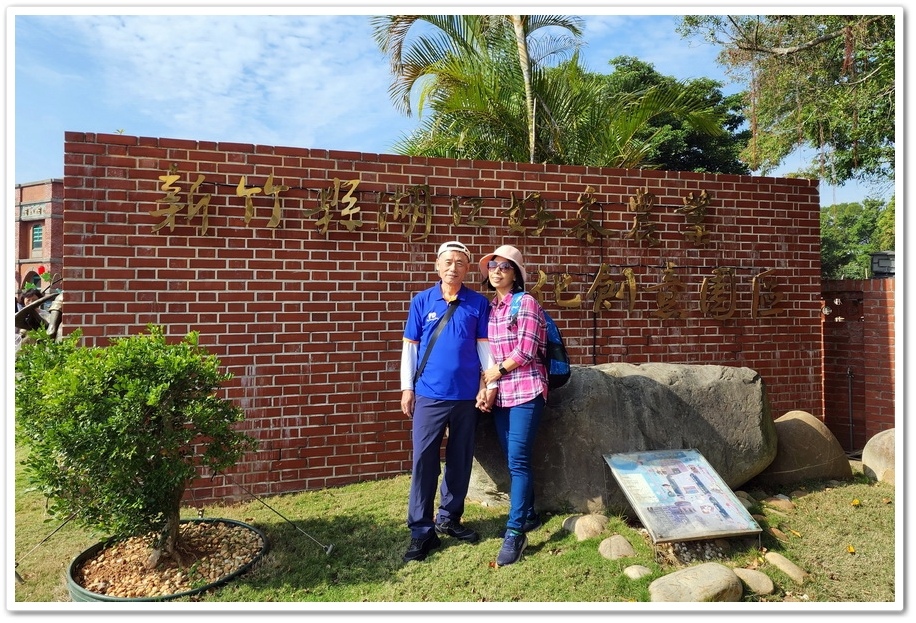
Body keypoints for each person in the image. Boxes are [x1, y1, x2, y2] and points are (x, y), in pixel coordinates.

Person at [400, 240, 496, 562]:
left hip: (466, 396)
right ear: (437, 265)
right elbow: (410, 348)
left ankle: (450, 518)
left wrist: (488, 384)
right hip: (429, 394)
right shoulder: (421, 301)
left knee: (460, 459)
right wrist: (407, 388)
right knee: (424, 461)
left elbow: (485, 348)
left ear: (467, 268)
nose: (454, 267)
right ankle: (421, 531)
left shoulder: (478, 304)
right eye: (448, 261)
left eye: (460, 262)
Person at [478, 244, 548, 566]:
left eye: (505, 266)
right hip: (501, 394)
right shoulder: (490, 309)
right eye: (493, 265)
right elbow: (485, 352)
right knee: (511, 459)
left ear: (516, 274)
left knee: (518, 460)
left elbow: (528, 349)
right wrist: (488, 383)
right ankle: (530, 513)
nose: (497, 270)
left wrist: (498, 370)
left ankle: (515, 531)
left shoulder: (526, 303)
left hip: (526, 391)